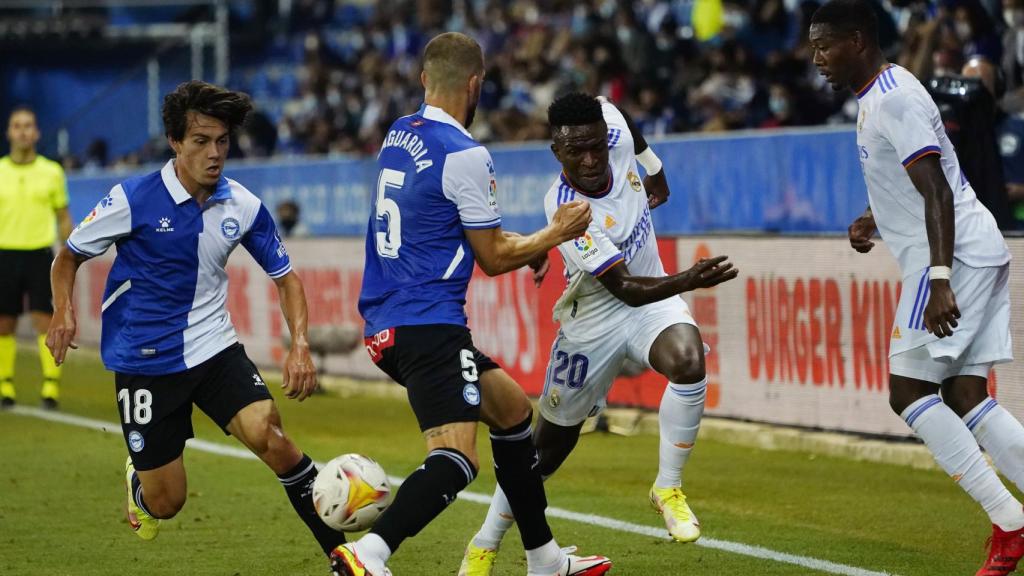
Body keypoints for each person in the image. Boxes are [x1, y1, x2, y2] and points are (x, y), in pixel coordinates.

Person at [340, 33, 612, 576]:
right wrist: (552, 235)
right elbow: (490, 257)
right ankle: (368, 553)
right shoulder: (467, 154)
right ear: (476, 84)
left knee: (512, 412)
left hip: (389, 321)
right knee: (456, 458)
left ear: (423, 81)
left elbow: (444, 222)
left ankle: (544, 558)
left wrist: (526, 243)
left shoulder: (399, 133)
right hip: (428, 325)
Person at [45, 81, 346, 563]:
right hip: (145, 359)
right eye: (201, 141)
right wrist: (63, 309)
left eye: (222, 141)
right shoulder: (133, 199)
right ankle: (140, 487)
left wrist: (301, 345)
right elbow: (68, 257)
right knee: (168, 502)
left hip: (214, 349)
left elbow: (286, 279)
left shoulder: (242, 205)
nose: (214, 153)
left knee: (274, 439)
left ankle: (345, 558)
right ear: (175, 143)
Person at [458, 93, 739, 576]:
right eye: (575, 152)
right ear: (556, 152)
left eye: (595, 147)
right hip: (596, 316)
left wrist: (654, 167)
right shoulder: (567, 208)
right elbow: (625, 288)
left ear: (606, 137)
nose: (589, 160)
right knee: (545, 453)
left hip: (654, 300)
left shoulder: (614, 132)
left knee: (689, 361)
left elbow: (617, 109)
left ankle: (667, 488)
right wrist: (690, 279)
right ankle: (483, 543)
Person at [809, 2, 1024, 573]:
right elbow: (923, 179)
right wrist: (874, 216)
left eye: (825, 46)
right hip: (971, 252)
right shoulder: (888, 88)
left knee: (907, 391)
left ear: (856, 41)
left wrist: (940, 280)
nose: (817, 59)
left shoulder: (895, 98)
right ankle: (1011, 525)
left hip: (957, 260)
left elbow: (939, 192)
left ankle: (1010, 522)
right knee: (964, 396)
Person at [0, 106, 72, 410]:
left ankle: (50, 386)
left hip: (41, 253)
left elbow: (63, 217)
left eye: (28, 125)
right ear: (9, 132)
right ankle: (5, 385)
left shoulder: (52, 172)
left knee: (46, 319)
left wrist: (69, 255)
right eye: (17, 126)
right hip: (4, 252)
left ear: (37, 132)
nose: (23, 131)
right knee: (4, 322)